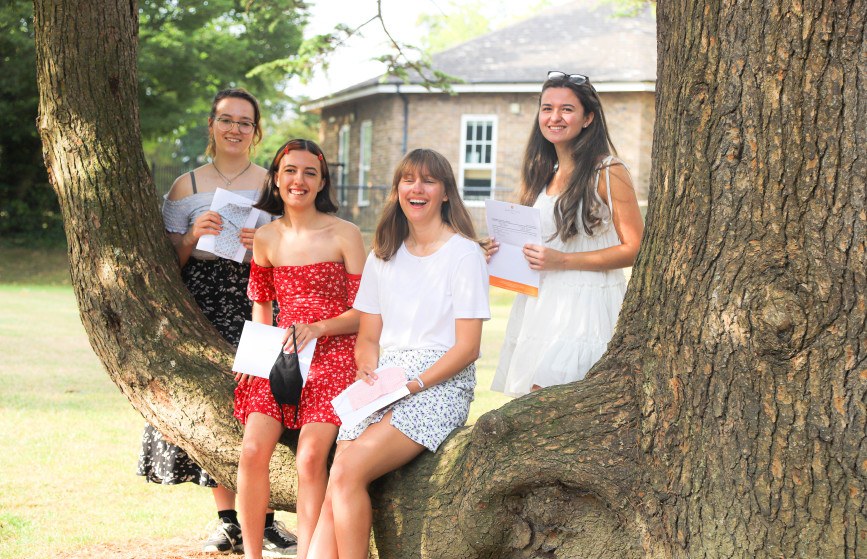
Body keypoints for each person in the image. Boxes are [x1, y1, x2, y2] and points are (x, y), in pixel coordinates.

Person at [307, 148, 490, 559]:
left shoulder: (463, 254)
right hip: (385, 380)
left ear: (445, 193)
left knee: (349, 471)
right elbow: (369, 337)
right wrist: (368, 371)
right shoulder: (383, 255)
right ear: (397, 191)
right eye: (408, 180)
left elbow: (469, 347)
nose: (417, 188)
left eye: (428, 181)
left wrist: (414, 384)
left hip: (438, 383)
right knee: (338, 474)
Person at [137, 88, 297, 556]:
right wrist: (191, 234)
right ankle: (227, 519)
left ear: (256, 131)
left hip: (259, 296)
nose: (235, 129)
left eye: (245, 122)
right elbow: (169, 263)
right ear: (212, 124)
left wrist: (266, 238)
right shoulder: (185, 184)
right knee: (217, 395)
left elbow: (300, 243)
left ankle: (265, 520)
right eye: (226, 119)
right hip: (203, 298)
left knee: (264, 396)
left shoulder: (275, 181)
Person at [233, 139, 366, 559]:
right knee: (253, 450)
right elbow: (262, 302)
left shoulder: (346, 234)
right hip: (282, 354)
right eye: (290, 170)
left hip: (334, 353)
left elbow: (365, 312)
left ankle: (309, 553)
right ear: (276, 178)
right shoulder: (266, 238)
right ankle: (251, 554)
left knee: (310, 457)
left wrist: (320, 327)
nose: (299, 180)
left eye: (310, 172)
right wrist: (256, 357)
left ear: (322, 181)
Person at [490, 71, 644, 397]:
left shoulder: (608, 171)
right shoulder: (544, 174)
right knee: (533, 405)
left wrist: (563, 260)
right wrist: (502, 253)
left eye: (567, 109)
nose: (554, 117)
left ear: (588, 117)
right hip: (542, 303)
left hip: (587, 302)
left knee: (554, 399)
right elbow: (541, 246)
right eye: (547, 108)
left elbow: (635, 248)